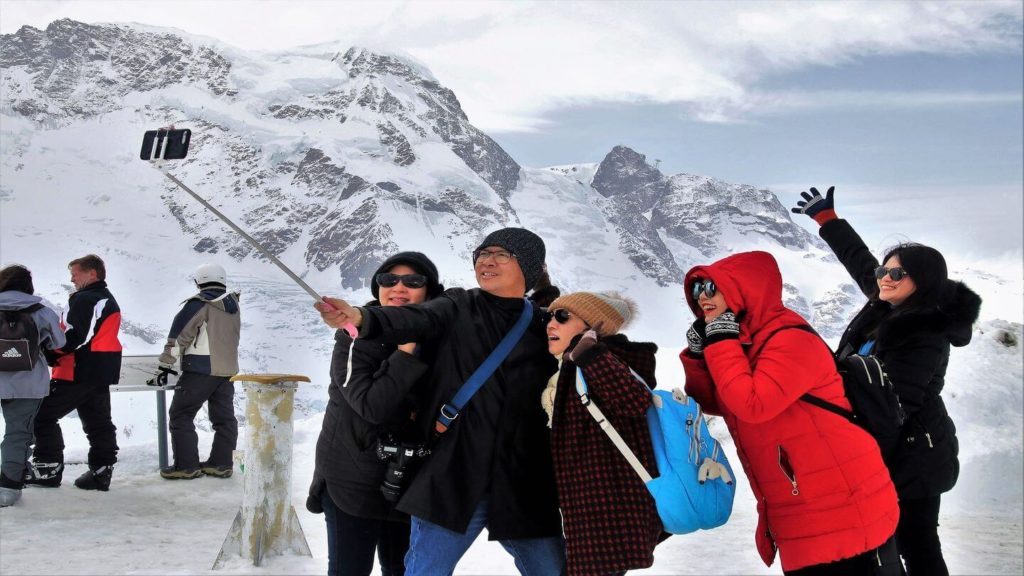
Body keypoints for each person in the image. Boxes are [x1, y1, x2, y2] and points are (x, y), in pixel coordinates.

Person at [315, 227, 564, 576]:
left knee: (552, 570)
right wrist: (361, 318)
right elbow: (416, 318)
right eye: (482, 254)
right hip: (454, 470)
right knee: (426, 570)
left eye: (500, 254)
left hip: (520, 476)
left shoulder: (544, 325)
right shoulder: (459, 305)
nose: (487, 261)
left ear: (528, 264)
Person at [792, 186, 982, 575]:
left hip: (914, 453)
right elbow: (862, 264)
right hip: (879, 445)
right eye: (885, 270)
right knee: (882, 543)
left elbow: (897, 403)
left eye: (897, 272)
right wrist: (829, 222)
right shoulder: (886, 304)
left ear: (923, 281)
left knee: (918, 544)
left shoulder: (924, 330)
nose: (885, 278)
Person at [680, 250, 901, 575]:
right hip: (801, 503)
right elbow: (714, 401)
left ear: (744, 289)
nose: (703, 298)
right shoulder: (744, 341)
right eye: (697, 290)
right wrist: (701, 355)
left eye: (712, 288)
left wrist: (721, 343)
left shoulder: (790, 339)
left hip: (841, 504)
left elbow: (751, 405)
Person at [307, 251, 444, 576]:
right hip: (351, 483)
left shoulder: (439, 337)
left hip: (407, 480)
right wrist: (405, 352)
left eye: (412, 281)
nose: (398, 287)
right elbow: (372, 406)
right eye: (388, 279)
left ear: (429, 290)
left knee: (402, 570)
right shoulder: (353, 338)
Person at [541, 291, 662, 576]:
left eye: (562, 316)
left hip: (607, 508)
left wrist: (590, 355)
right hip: (587, 504)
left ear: (593, 326)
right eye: (549, 316)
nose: (550, 324)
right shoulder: (568, 365)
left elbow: (633, 402)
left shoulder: (607, 358)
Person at [25, 254, 122, 491]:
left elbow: (75, 336)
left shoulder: (87, 299)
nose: (72, 278)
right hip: (100, 369)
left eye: (75, 273)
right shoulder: (105, 298)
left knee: (42, 415)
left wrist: (51, 353)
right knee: (98, 421)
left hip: (77, 369)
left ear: (92, 273)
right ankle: (101, 471)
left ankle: (48, 469)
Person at [156, 263, 241, 480]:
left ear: (199, 281)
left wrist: (166, 363)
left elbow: (180, 336)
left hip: (200, 369)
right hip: (227, 371)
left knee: (181, 415)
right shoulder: (233, 305)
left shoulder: (199, 304)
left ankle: (186, 466)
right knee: (225, 420)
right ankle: (221, 464)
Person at [0, 265, 65, 507]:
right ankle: (8, 486)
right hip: (28, 384)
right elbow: (59, 340)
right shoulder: (41, 311)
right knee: (17, 434)